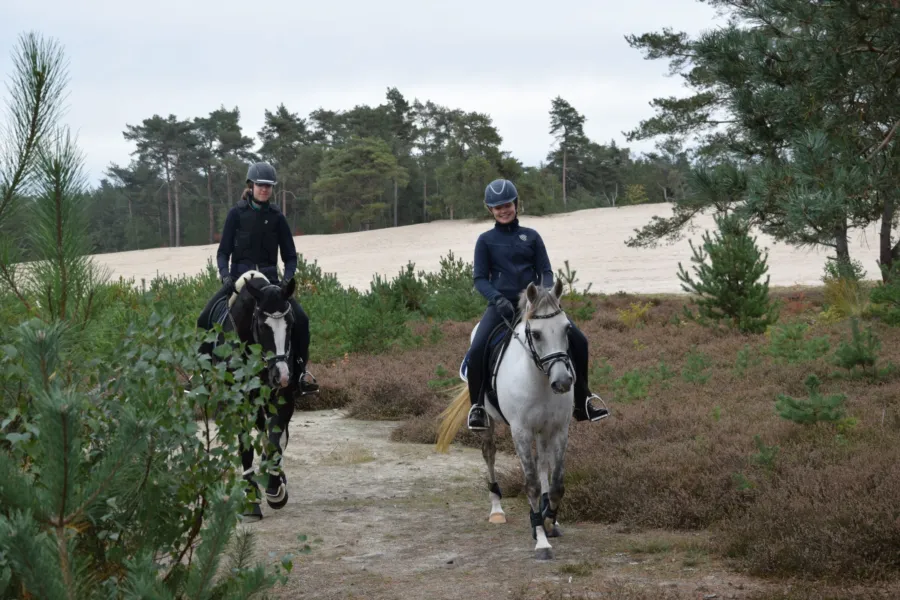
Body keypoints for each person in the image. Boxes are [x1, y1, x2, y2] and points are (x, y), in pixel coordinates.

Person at [466, 178, 609, 430]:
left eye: (507, 205)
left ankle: (583, 399)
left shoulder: (531, 236)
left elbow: (545, 270)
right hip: (501, 306)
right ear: (490, 210)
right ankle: (477, 406)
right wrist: (497, 299)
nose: (503, 210)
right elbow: (479, 279)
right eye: (497, 207)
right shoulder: (485, 240)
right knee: (477, 349)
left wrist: (545, 294)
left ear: (516, 204)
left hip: (536, 305)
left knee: (579, 340)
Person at [197, 161, 318, 394]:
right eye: (260, 185)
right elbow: (223, 253)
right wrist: (225, 276)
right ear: (250, 186)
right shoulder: (235, 214)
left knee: (302, 320)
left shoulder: (277, 217)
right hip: (238, 282)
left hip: (270, 284)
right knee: (204, 318)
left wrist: (287, 279)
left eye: (268, 186)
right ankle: (202, 375)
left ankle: (301, 372)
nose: (264, 189)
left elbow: (290, 257)